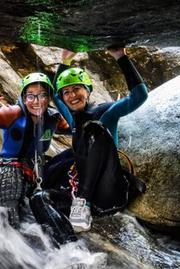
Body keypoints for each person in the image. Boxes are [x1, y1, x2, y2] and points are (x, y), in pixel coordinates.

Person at [41, 47, 148, 233]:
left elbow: (140, 96)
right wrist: (64, 61)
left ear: (88, 90)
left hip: (108, 191)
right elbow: (55, 96)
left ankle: (83, 204)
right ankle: (76, 210)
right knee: (45, 189)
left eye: (76, 89)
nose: (72, 95)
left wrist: (120, 56)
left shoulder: (106, 112)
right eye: (67, 92)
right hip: (83, 185)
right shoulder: (73, 115)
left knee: (93, 128)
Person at [0, 73, 76, 244]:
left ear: (49, 98)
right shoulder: (12, 113)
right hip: (8, 168)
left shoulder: (53, 118)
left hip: (36, 168)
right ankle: (9, 237)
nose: (36, 101)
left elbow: (74, 128)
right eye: (31, 96)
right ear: (24, 97)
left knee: (75, 153)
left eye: (42, 95)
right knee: (12, 190)